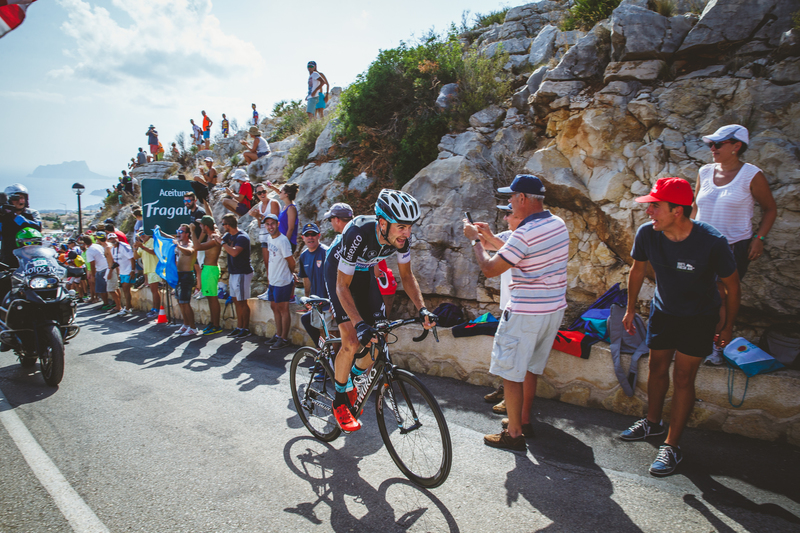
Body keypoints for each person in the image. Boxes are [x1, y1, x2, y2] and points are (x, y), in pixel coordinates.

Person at [620, 177, 739, 477]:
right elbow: (637, 270)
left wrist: (727, 328)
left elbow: (733, 287)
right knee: (657, 367)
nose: (649, 212)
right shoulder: (648, 233)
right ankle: (652, 423)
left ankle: (672, 445)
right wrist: (631, 309)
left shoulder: (712, 241)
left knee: (684, 376)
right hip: (664, 311)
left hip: (699, 317)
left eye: (655, 207)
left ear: (678, 211)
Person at [463, 175, 569, 452]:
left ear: (522, 198)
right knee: (531, 368)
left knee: (511, 373)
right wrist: (489, 238)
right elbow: (521, 253)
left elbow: (489, 269)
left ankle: (514, 434)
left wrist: (476, 241)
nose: (509, 202)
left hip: (525, 313)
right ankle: (524, 422)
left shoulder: (524, 234)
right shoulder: (557, 224)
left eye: (511, 198)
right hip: (552, 310)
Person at [325, 189, 436, 432]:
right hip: (339, 273)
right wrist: (358, 323)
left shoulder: (400, 240)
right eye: (401, 227)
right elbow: (342, 286)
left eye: (409, 227)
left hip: (364, 274)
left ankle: (353, 376)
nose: (407, 233)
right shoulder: (358, 232)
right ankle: (340, 400)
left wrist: (423, 309)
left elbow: (406, 277)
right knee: (352, 340)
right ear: (383, 223)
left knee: (380, 338)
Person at [691, 124, 777, 365]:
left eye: (718, 144)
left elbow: (770, 209)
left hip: (732, 246)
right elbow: (696, 207)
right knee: (698, 294)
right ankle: (697, 341)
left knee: (720, 296)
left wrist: (759, 239)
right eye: (711, 144)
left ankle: (716, 347)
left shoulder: (751, 174)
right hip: (699, 245)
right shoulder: (705, 172)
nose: (713, 148)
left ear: (736, 146)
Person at [473, 203, 524, 415]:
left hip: (522, 304)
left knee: (517, 355)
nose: (505, 217)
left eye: (508, 213)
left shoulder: (524, 238)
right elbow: (486, 244)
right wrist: (476, 233)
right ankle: (505, 391)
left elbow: (508, 249)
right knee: (509, 352)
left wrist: (482, 239)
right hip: (509, 303)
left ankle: (514, 405)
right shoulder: (507, 234)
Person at [213, 214, 253, 338]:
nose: (223, 226)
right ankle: (239, 326)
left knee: (242, 302)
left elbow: (234, 252)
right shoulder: (228, 236)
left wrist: (223, 243)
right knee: (236, 301)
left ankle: (245, 328)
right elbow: (219, 240)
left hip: (242, 272)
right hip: (233, 272)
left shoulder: (242, 237)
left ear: (228, 225)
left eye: (224, 224)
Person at [262, 213, 296, 349]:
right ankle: (278, 334)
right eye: (268, 224)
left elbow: (291, 262)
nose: (270, 227)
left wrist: (290, 274)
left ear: (278, 224)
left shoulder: (283, 241)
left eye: (272, 224)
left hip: (282, 280)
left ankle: (283, 338)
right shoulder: (270, 239)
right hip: (273, 280)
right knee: (274, 307)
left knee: (283, 309)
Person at [298, 223, 331, 345]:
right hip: (316, 302)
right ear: (303, 238)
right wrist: (307, 299)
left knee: (327, 332)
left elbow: (337, 278)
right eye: (307, 235)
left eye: (313, 234)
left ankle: (329, 359)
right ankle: (322, 354)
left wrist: (334, 302)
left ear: (319, 236)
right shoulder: (303, 256)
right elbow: (306, 279)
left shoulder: (327, 252)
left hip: (328, 302)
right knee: (306, 320)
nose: (310, 237)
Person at [191, 216, 223, 335]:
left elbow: (198, 247)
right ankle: (213, 322)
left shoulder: (214, 237)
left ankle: (216, 325)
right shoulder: (212, 235)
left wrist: (192, 232)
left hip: (211, 270)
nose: (199, 227)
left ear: (206, 226)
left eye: (201, 225)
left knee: (213, 298)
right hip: (207, 269)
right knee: (210, 298)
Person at [250, 183, 281, 299]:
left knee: (276, 265)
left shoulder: (273, 203)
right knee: (268, 265)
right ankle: (270, 290)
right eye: (259, 193)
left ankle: (277, 290)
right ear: (256, 195)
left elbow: (273, 221)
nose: (262, 194)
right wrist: (257, 217)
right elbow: (260, 224)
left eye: (264, 191)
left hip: (273, 238)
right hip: (264, 238)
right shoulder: (259, 206)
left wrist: (259, 215)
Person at [173, 224, 198, 336]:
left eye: (181, 231)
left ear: (187, 234)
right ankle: (186, 324)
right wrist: (159, 232)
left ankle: (193, 327)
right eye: (178, 231)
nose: (179, 233)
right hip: (178, 275)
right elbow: (168, 237)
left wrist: (178, 246)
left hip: (187, 275)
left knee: (185, 302)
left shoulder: (190, 244)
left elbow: (189, 252)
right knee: (180, 301)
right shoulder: (180, 243)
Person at [107, 232, 135, 316]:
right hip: (122, 272)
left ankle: (127, 308)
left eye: (114, 238)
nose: (113, 240)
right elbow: (116, 263)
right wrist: (118, 273)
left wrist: (133, 270)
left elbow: (132, 258)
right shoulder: (112, 249)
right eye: (111, 239)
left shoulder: (124, 246)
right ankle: (128, 306)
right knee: (125, 289)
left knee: (126, 288)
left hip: (129, 271)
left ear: (117, 238)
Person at [134, 230, 161, 318]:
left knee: (154, 291)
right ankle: (154, 308)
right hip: (149, 270)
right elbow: (136, 256)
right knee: (153, 291)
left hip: (154, 269)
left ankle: (156, 310)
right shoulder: (143, 244)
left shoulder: (152, 241)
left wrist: (142, 246)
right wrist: (135, 248)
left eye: (143, 233)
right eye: (140, 235)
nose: (142, 236)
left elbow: (154, 252)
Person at [266, 182, 299, 252]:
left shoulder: (291, 209)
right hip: (281, 240)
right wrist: (272, 187)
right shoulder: (286, 206)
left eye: (281, 192)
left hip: (288, 242)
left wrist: (285, 243)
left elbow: (291, 228)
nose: (279, 193)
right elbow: (280, 193)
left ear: (286, 194)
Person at [86, 231, 112, 310]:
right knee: (109, 288)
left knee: (101, 289)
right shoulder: (98, 246)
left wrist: (93, 275)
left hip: (101, 269)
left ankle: (106, 303)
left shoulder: (89, 251)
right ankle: (109, 303)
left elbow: (92, 264)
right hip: (106, 267)